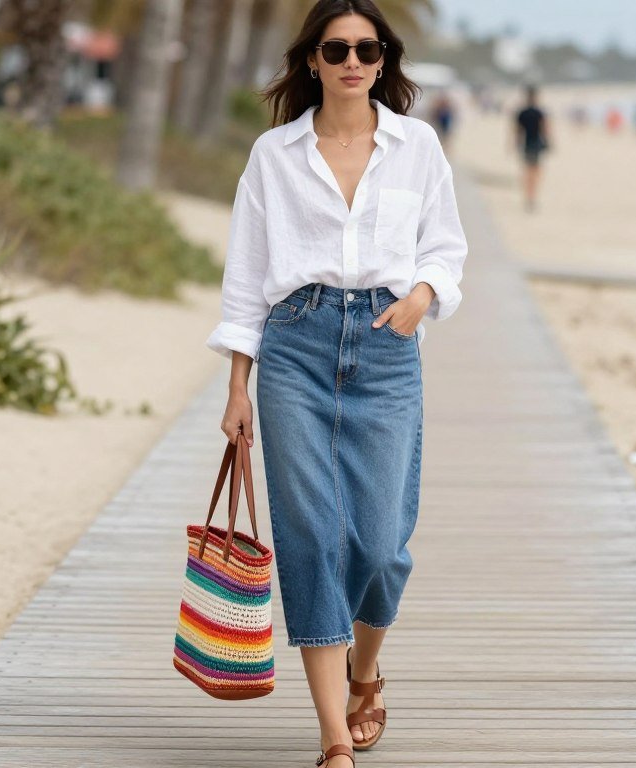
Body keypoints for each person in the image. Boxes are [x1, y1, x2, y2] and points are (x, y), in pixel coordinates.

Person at [203, 2, 468, 766]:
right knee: (314, 537)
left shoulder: (417, 146)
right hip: (296, 347)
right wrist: (237, 386)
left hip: (387, 348)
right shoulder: (274, 154)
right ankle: (331, 740)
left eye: (367, 47)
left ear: (384, 60)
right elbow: (247, 276)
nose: (352, 60)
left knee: (382, 546)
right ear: (312, 60)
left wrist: (420, 298)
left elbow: (445, 247)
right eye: (336, 48)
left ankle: (364, 673)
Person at [514, 84, 549, 211]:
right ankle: (532, 197)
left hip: (526, 145)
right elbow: (545, 129)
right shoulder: (540, 112)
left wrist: (515, 144)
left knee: (527, 171)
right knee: (535, 172)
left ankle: (528, 196)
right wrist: (548, 143)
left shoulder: (521, 113)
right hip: (536, 144)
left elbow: (517, 131)